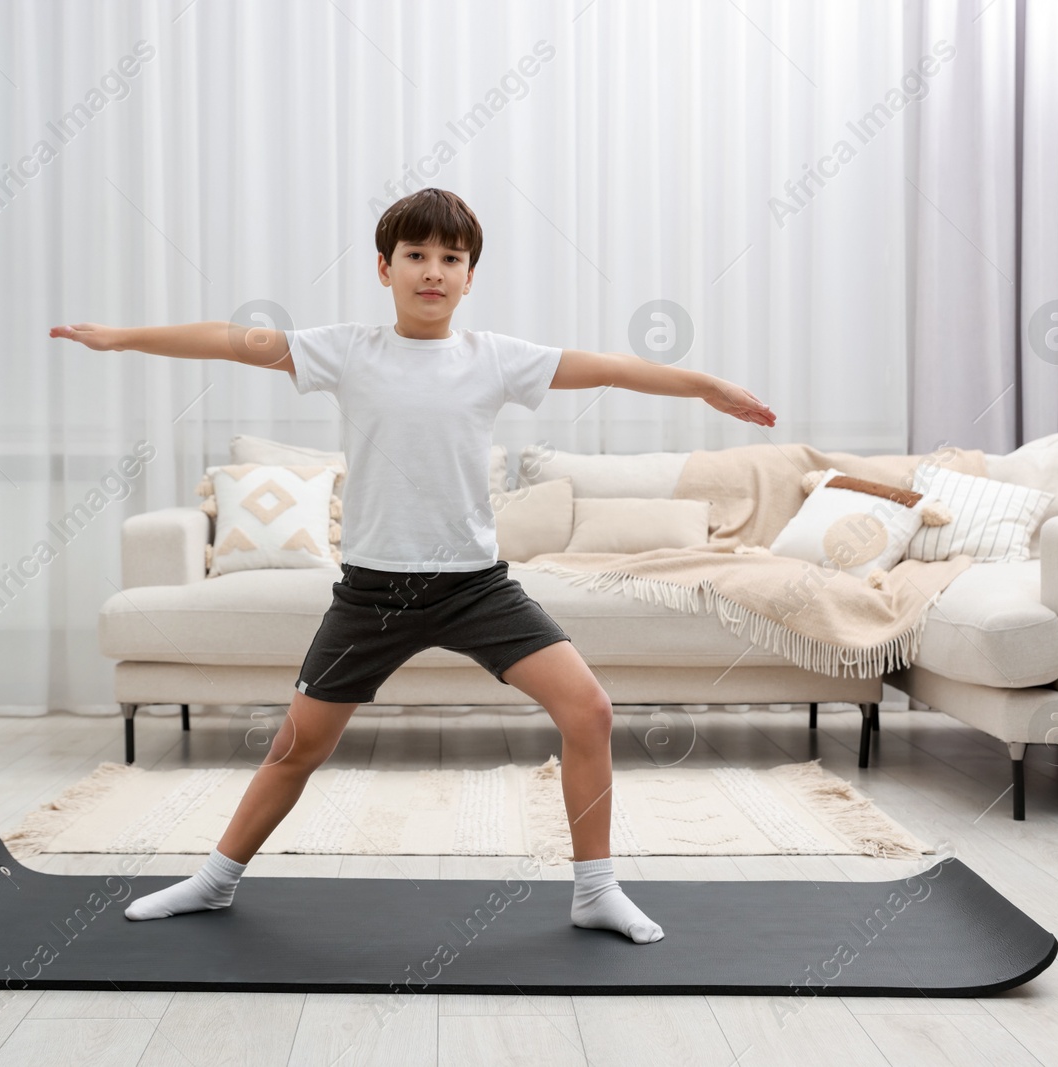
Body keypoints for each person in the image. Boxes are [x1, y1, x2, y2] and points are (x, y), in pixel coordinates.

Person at [49, 187, 776, 944]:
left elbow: (612, 369)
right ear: (383, 266)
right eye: (416, 255)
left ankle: (596, 890)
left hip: (475, 587)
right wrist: (121, 338)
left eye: (450, 258)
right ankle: (212, 881)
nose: (433, 271)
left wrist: (709, 385)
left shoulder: (494, 358)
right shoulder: (349, 350)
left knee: (589, 710)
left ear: (469, 276)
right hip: (374, 593)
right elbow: (235, 340)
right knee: (298, 747)